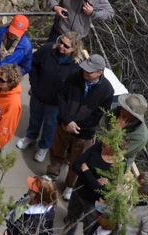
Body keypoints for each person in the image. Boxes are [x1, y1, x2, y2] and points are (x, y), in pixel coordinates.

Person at [45, 53, 113, 200]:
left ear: (99, 73)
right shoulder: (74, 76)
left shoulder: (107, 91)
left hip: (84, 133)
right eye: (84, 68)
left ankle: (70, 185)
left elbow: (98, 116)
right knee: (56, 150)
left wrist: (76, 126)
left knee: (77, 160)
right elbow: (62, 96)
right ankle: (52, 174)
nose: (84, 72)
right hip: (63, 124)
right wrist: (67, 120)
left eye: (89, 71)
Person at [17, 31, 84, 163]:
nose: (61, 46)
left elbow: (75, 89)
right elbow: (33, 63)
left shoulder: (77, 66)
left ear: (74, 48)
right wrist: (34, 83)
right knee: (35, 116)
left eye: (66, 46)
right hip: (38, 94)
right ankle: (31, 136)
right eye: (61, 42)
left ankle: (44, 146)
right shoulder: (48, 49)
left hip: (55, 103)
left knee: (50, 123)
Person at [55, 140, 122, 235]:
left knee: (88, 233)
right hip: (78, 193)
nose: (104, 140)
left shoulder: (120, 165)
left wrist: (86, 171)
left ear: (115, 147)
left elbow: (101, 190)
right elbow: (76, 164)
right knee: (71, 221)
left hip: (93, 205)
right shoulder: (98, 147)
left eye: (108, 139)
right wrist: (93, 180)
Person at [46, 0, 114, 41]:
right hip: (58, 31)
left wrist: (92, 12)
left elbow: (110, 13)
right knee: (49, 52)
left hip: (77, 37)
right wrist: (55, 7)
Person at [98, 93, 148, 169]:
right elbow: (100, 129)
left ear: (132, 115)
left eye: (125, 107)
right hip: (97, 149)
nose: (122, 107)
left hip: (114, 166)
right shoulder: (118, 112)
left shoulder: (141, 137)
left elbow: (114, 152)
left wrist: (116, 129)